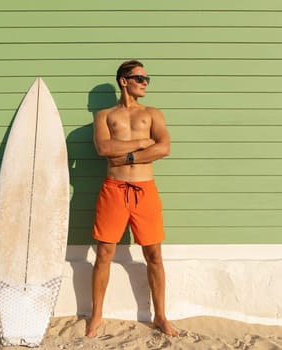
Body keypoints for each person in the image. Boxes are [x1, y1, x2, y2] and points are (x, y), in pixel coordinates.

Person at [85, 60, 179, 338]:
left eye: (146, 78)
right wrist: (141, 143)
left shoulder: (153, 113)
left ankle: (160, 316)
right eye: (139, 78)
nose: (145, 82)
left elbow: (164, 148)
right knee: (104, 253)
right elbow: (103, 148)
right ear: (124, 81)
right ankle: (96, 316)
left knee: (154, 256)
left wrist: (126, 155)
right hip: (114, 189)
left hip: (144, 190)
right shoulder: (104, 115)